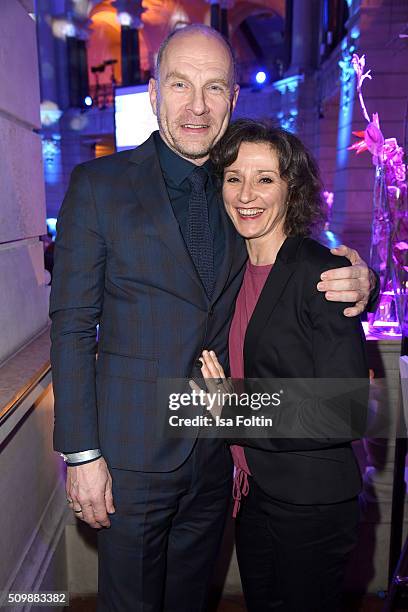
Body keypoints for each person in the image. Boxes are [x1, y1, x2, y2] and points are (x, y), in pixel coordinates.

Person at [49, 26, 376, 612]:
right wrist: (82, 455)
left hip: (215, 460)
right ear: (153, 94)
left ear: (232, 98)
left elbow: (296, 260)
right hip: (130, 459)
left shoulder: (240, 200)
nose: (197, 105)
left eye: (215, 88)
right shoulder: (98, 186)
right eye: (180, 84)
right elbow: (72, 327)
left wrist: (361, 276)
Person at [199, 118, 370, 612]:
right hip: (253, 493)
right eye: (234, 178)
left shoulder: (324, 273)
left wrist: (232, 411)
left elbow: (344, 409)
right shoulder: (231, 269)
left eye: (265, 178)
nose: (246, 193)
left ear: (291, 188)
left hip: (311, 503)